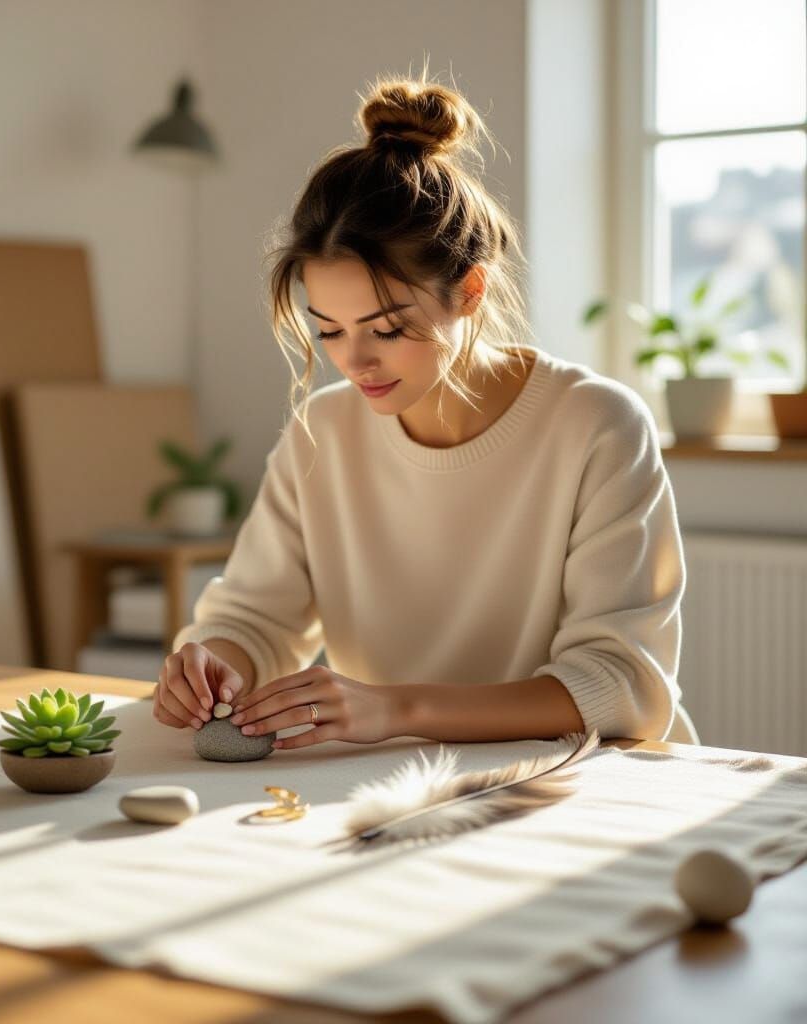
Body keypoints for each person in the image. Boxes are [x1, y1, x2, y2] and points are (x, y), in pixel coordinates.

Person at [152, 67, 690, 751]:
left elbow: (623, 688)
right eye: (330, 331)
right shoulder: (324, 430)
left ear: (469, 290)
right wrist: (214, 663)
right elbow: (258, 617)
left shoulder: (597, 426)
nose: (354, 363)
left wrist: (397, 711)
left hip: (580, 785)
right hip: (391, 786)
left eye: (386, 328)